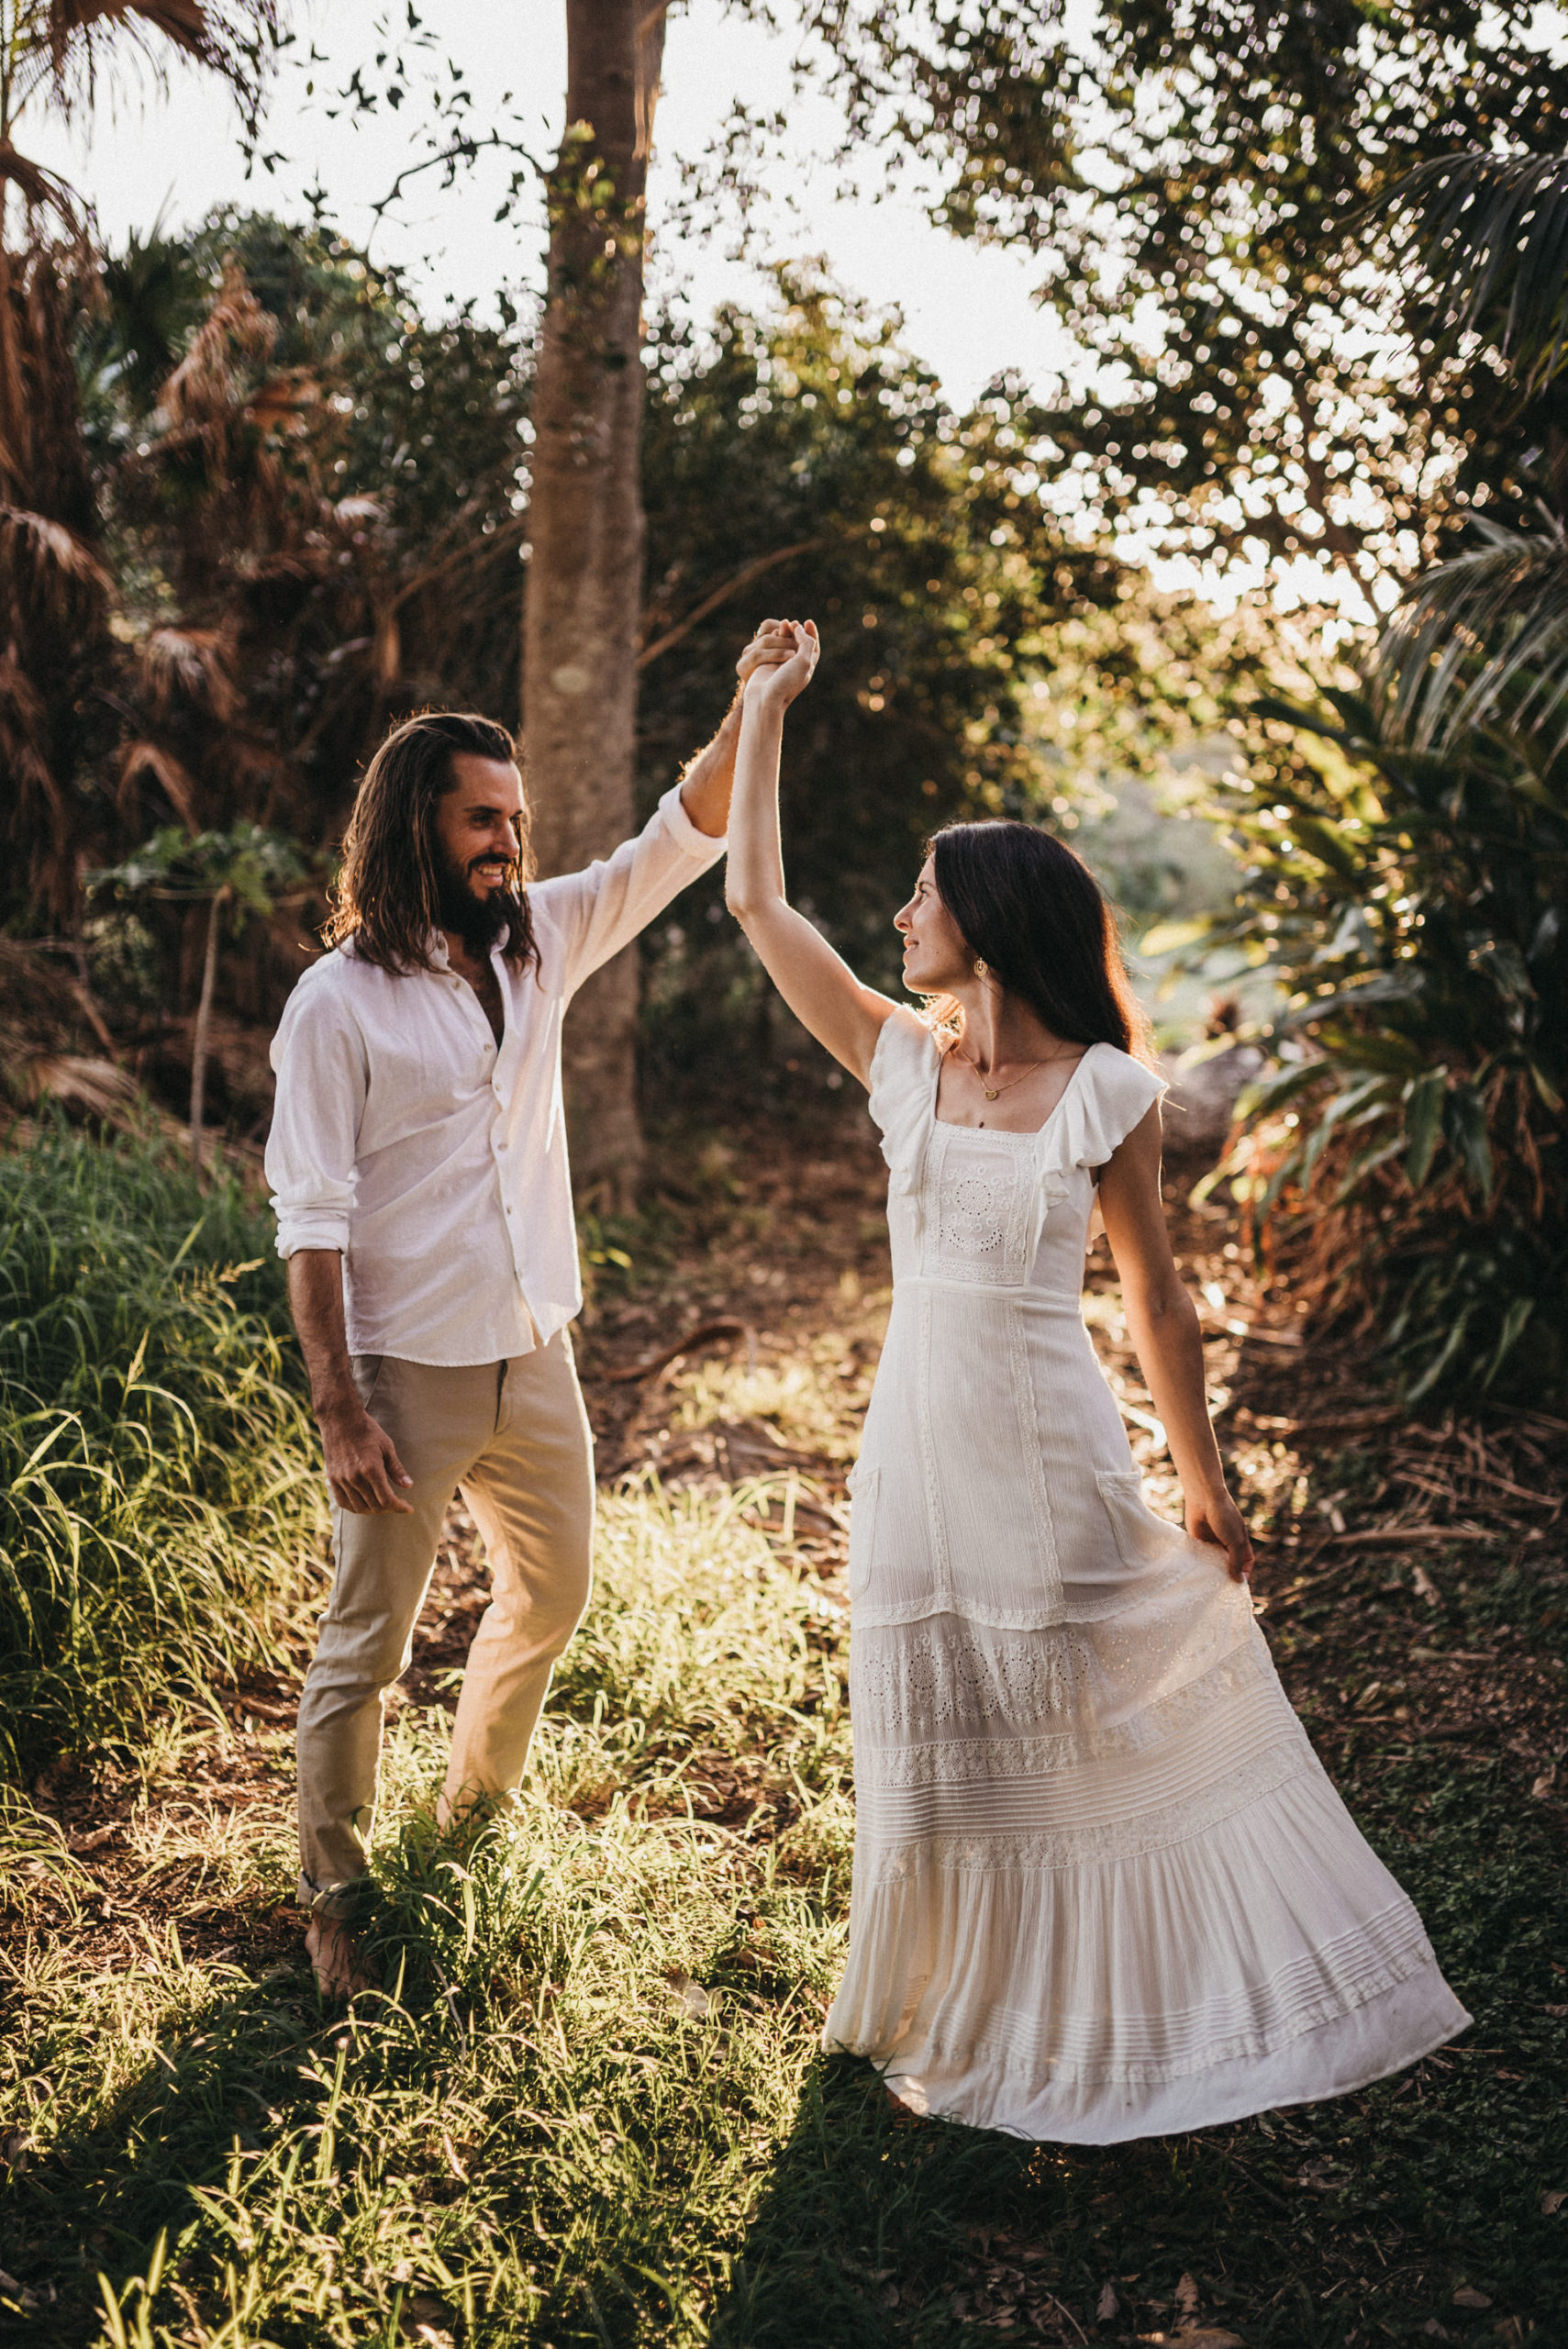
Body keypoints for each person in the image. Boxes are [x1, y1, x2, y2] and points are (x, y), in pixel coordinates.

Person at [725, 618, 1470, 2142]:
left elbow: (1154, 1297)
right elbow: (755, 898)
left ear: (988, 918)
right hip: (912, 1447)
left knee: (1070, 1714)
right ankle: (943, 2001)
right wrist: (760, 711)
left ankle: (1104, 2013)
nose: (900, 911)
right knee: (931, 1720)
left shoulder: (1110, 1090)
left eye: (924, 892)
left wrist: (1203, 1486)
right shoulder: (899, 1060)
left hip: (1049, 1443)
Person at [267, 637, 793, 1994]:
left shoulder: (541, 938)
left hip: (532, 1350)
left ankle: (471, 1820)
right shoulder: (335, 1005)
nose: (509, 840)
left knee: (553, 1592)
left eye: (515, 819)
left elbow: (678, 837)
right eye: (481, 819)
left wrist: (748, 705)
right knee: (364, 1647)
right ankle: (334, 1893)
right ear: (416, 827)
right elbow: (310, 1215)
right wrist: (339, 1405)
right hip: (407, 1374)